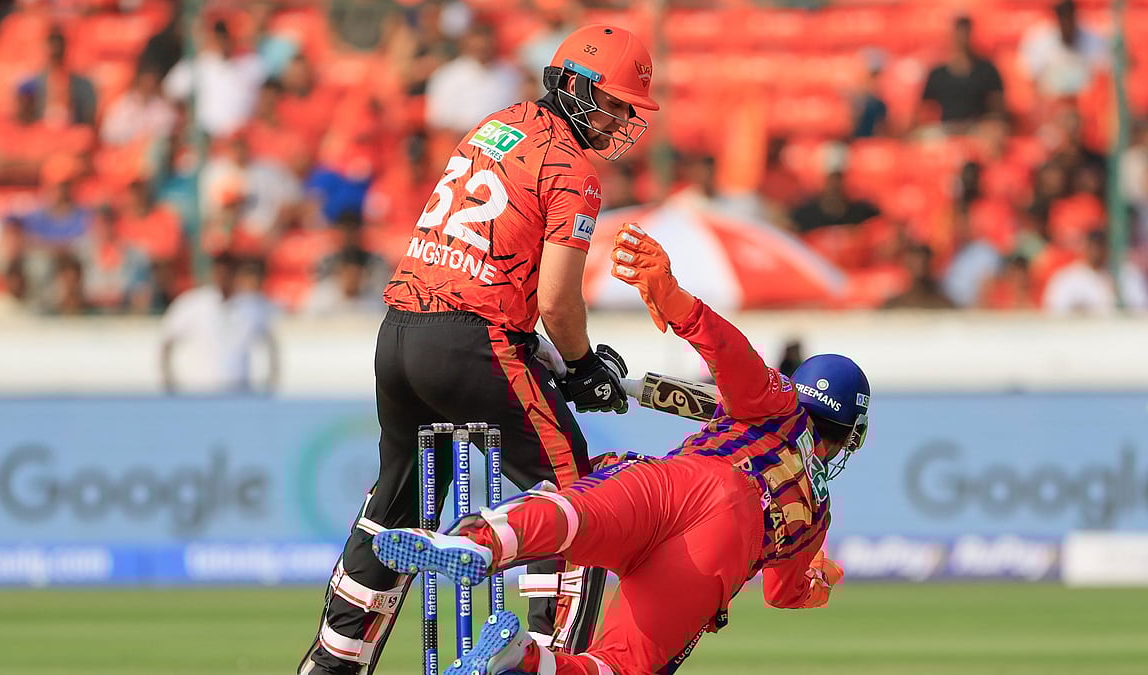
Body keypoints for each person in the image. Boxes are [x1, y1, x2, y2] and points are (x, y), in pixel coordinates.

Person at [297, 24, 661, 675]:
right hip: (472, 339)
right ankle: (551, 661)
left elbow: (488, 266)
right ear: (574, 86)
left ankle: (332, 661)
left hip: (402, 330)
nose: (619, 120)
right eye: (613, 102)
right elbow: (555, 300)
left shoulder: (496, 125)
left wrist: (554, 357)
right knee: (579, 495)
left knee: (395, 504)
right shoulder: (572, 170)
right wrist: (581, 366)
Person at [372, 223, 870, 675]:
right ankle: (526, 659)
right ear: (850, 433)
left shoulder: (780, 403)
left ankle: (478, 542)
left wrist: (676, 302)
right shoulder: (817, 511)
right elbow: (785, 595)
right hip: (720, 553)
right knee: (618, 667)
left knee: (575, 514)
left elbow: (730, 354)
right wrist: (819, 582)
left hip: (684, 484)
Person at [160, 252, 280, 393]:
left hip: (238, 391)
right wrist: (170, 383)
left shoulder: (252, 306)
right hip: (197, 391)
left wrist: (270, 383)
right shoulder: (192, 304)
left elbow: (271, 343)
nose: (223, 279)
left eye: (228, 273)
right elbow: (166, 343)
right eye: (220, 273)